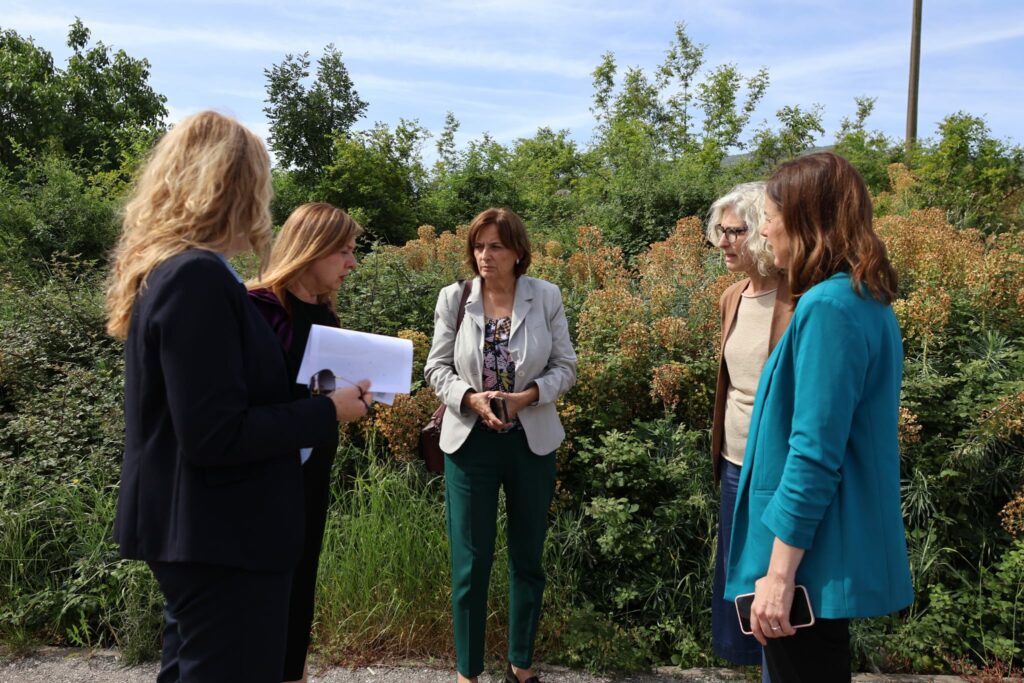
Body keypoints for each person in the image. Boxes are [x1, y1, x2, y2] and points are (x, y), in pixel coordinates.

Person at [105, 111, 371, 683]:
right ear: (234, 184)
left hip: (209, 533)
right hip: (224, 535)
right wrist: (326, 410)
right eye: (261, 179)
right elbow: (214, 433)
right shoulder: (196, 277)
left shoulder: (186, 272)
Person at [725, 151, 914, 683]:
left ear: (807, 222)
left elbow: (814, 453)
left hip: (808, 559)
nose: (763, 230)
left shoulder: (828, 307)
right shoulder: (863, 299)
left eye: (770, 216)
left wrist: (779, 576)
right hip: (821, 549)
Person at [424, 208, 576, 683]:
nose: (485, 256)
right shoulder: (455, 298)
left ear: (518, 252)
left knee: (528, 558)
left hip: (531, 442)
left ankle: (521, 667)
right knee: (471, 562)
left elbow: (566, 367)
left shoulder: (546, 295)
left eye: (496, 246)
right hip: (470, 444)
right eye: (478, 246)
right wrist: (469, 397)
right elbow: (436, 369)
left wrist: (526, 396)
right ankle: (468, 672)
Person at [247, 202, 362, 683]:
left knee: (300, 586)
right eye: (345, 252)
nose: (352, 263)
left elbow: (316, 393)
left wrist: (352, 397)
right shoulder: (256, 309)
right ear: (312, 248)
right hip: (257, 480)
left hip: (311, 475)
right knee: (255, 600)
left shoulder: (326, 315)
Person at [707, 182, 791, 681]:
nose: (723, 241)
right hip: (735, 465)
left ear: (762, 231)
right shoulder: (732, 297)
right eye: (720, 230)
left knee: (776, 590)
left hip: (777, 470)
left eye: (735, 230)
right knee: (742, 589)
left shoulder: (798, 299)